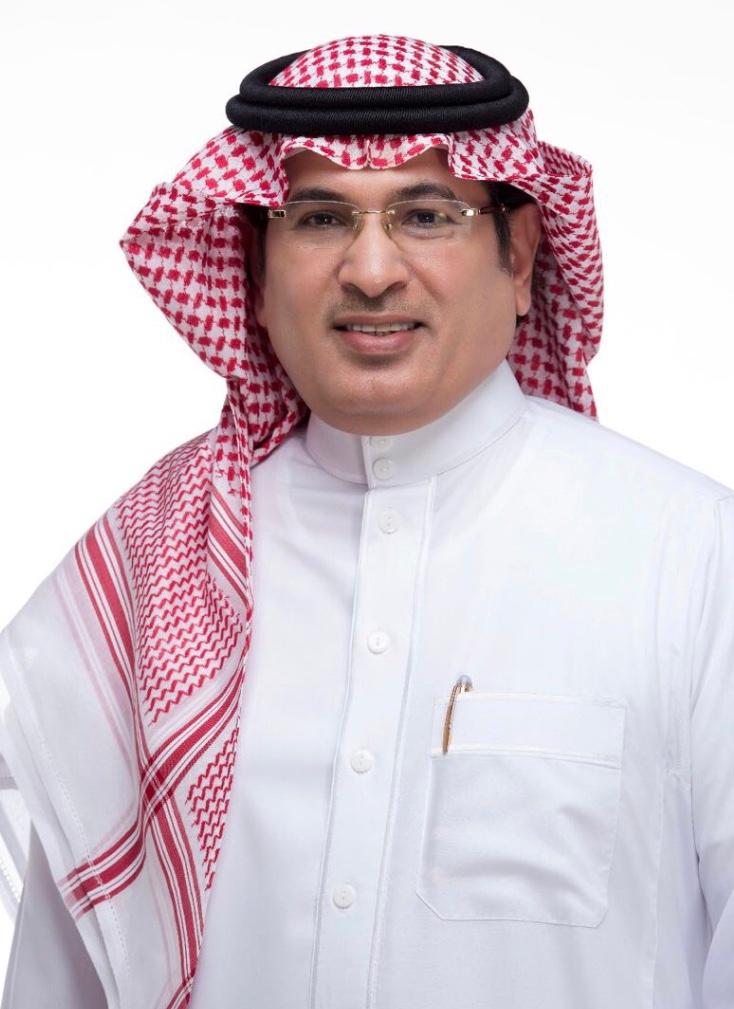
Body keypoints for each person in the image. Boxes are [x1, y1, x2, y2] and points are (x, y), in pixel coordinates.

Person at [0, 32, 733, 1009]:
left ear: (519, 256)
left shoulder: (692, 559)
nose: (373, 269)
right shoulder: (152, 573)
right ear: (257, 270)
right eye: (320, 218)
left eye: (426, 215)